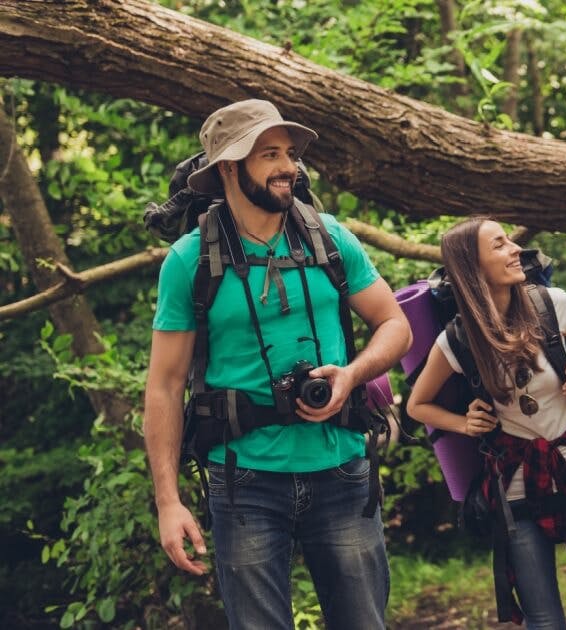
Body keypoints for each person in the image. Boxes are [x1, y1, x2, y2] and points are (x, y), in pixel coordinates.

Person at [144, 99, 412, 629]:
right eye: (269, 154)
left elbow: (396, 325)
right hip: (242, 482)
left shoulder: (330, 239)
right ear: (228, 166)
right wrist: (168, 502)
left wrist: (352, 374)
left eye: (289, 153)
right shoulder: (189, 262)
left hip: (341, 469)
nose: (288, 165)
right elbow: (164, 386)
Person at [406, 217, 566, 630]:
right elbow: (417, 405)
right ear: (473, 268)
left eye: (509, 240)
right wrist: (462, 422)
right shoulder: (456, 340)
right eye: (499, 245)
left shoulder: (552, 303)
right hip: (517, 490)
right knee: (543, 622)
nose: (514, 250)